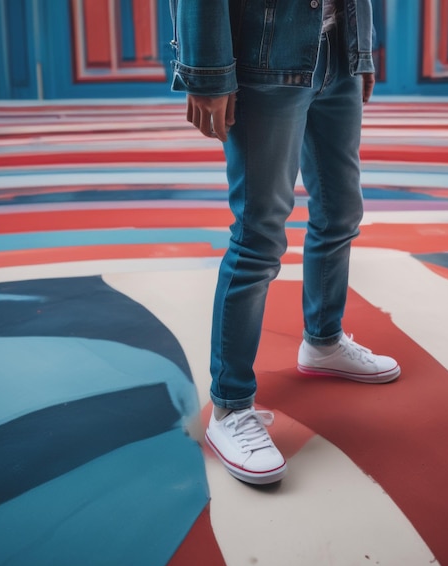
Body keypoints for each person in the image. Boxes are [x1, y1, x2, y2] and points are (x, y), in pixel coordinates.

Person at [170, 0, 400, 486]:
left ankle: (323, 341)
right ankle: (230, 409)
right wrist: (207, 72)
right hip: (266, 56)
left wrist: (361, 52)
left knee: (341, 211)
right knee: (259, 234)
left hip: (337, 50)